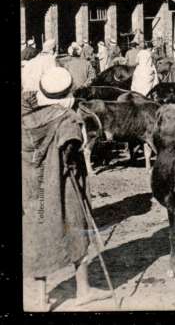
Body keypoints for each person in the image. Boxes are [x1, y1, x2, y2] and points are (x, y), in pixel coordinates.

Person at [22, 67, 111, 310]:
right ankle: (83, 290)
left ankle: (41, 297)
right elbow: (71, 149)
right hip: (62, 184)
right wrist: (71, 162)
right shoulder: (66, 119)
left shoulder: (25, 115)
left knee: (37, 232)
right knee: (76, 227)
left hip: (33, 188)